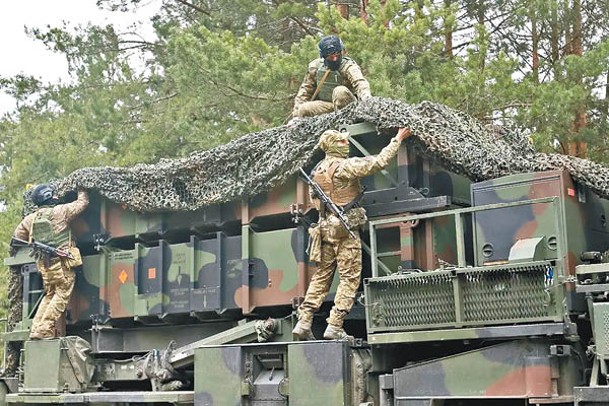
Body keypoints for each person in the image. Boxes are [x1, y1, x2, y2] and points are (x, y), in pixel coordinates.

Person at [293, 127, 412, 340]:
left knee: (321, 277)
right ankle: (335, 325)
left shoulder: (318, 170)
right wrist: (397, 140)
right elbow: (378, 162)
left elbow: (315, 200)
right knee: (349, 279)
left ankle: (304, 321)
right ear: (335, 146)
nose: (346, 144)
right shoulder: (344, 167)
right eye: (342, 142)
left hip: (324, 230)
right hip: (344, 231)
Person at [12, 184, 89, 340]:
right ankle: (45, 328)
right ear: (49, 196)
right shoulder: (60, 211)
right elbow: (83, 203)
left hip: (45, 265)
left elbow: (17, 236)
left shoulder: (30, 219)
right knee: (61, 294)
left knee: (50, 295)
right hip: (62, 264)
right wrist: (82, 189)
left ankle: (36, 329)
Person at [291, 35, 371, 119]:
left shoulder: (348, 67)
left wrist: (367, 99)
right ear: (323, 56)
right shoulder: (315, 68)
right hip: (328, 107)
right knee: (304, 108)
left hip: (349, 107)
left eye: (337, 54)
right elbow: (305, 91)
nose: (335, 59)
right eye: (331, 57)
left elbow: (360, 82)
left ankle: (345, 121)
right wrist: (296, 116)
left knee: (340, 91)